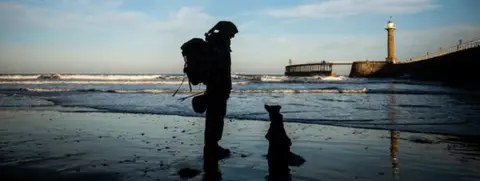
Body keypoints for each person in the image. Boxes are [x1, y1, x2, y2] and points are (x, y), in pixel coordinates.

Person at [201, 21, 238, 173]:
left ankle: (212, 146)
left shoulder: (218, 42)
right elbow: (219, 68)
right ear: (225, 31)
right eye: (232, 33)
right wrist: (222, 87)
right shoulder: (218, 44)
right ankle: (211, 148)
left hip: (216, 88)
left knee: (214, 118)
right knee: (215, 118)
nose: (233, 36)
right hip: (217, 88)